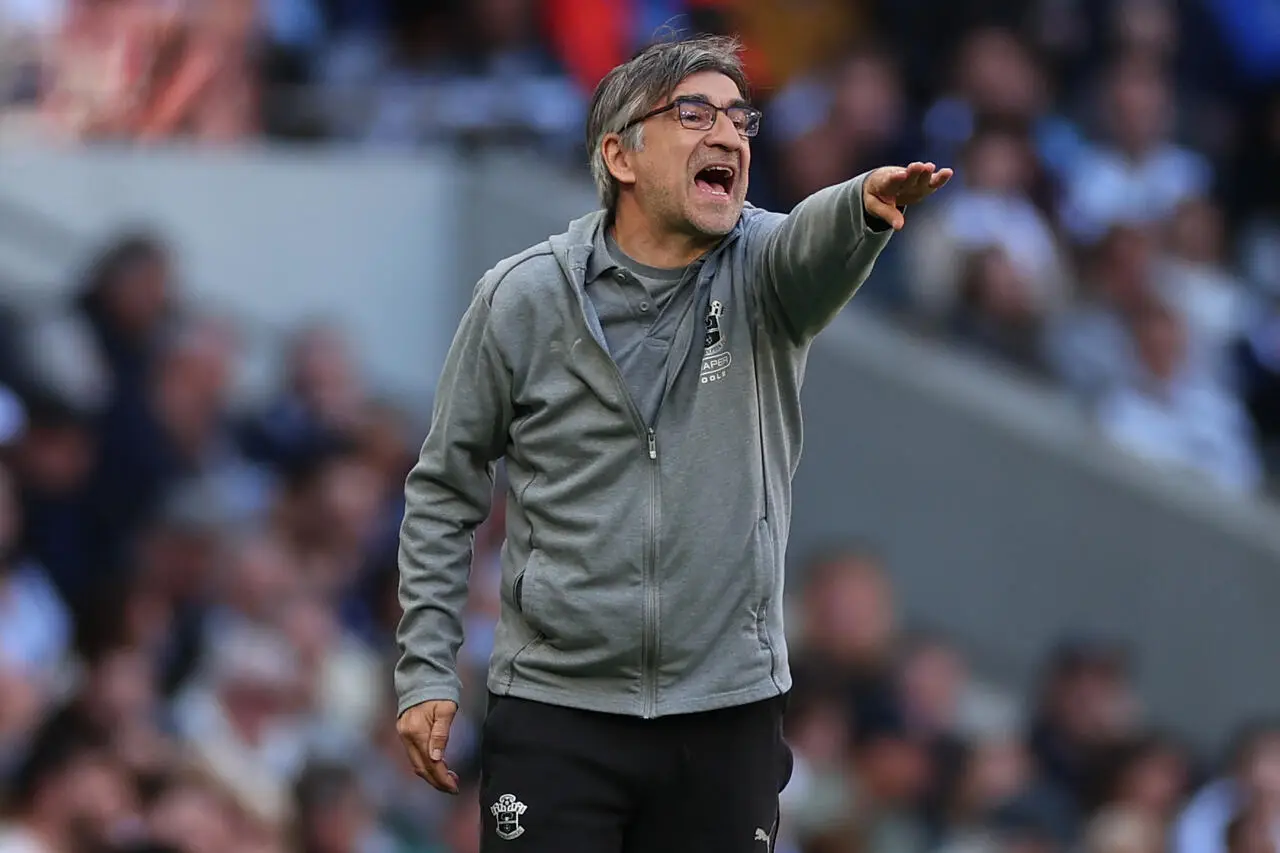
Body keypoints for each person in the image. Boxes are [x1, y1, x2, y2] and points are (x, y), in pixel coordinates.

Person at [394, 33, 952, 853]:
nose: (727, 134)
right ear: (620, 154)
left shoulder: (763, 268)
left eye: (739, 117)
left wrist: (861, 207)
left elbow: (811, 245)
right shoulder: (520, 299)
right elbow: (445, 489)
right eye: (694, 113)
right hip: (556, 708)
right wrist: (426, 668)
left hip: (726, 713)